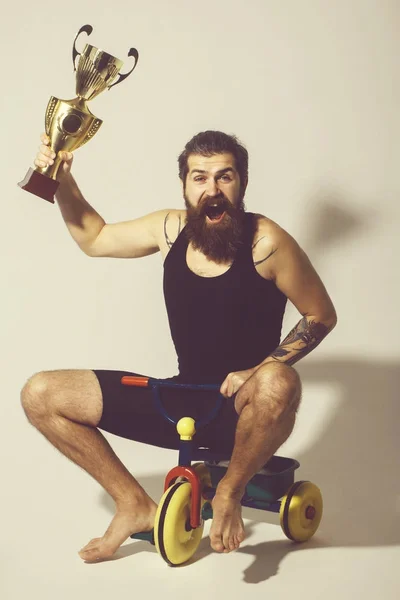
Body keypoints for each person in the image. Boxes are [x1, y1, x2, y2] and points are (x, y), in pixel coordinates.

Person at [21, 130, 337, 562]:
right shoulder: (170, 229)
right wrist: (63, 180)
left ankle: (229, 492)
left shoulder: (267, 243)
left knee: (279, 380)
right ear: (185, 186)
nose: (213, 190)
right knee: (41, 394)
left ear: (242, 182)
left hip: (247, 410)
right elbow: (93, 238)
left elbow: (320, 315)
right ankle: (133, 505)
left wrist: (258, 370)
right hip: (183, 399)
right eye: (199, 177)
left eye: (224, 177)